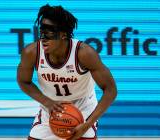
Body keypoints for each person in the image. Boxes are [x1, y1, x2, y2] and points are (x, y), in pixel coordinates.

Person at [17, 4, 117, 140]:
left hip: (83, 106)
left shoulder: (84, 54)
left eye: (50, 31)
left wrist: (88, 124)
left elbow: (110, 89)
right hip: (52, 106)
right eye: (42, 30)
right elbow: (24, 81)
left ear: (63, 34)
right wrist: (47, 102)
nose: (43, 36)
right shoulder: (31, 53)